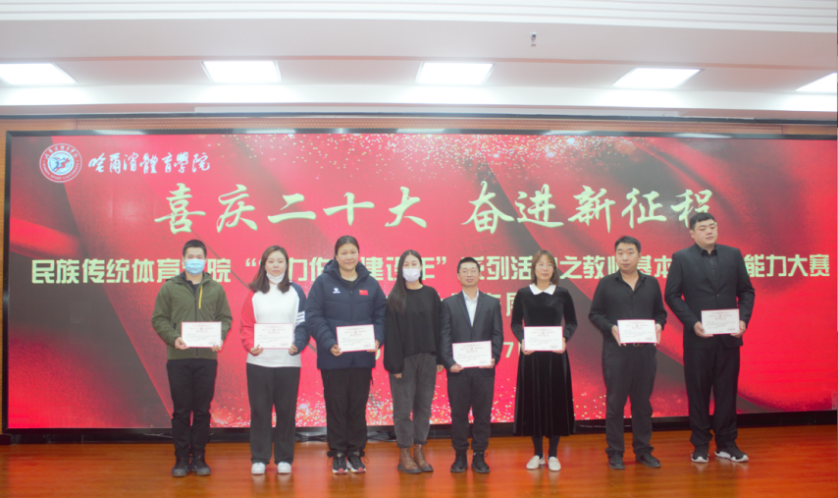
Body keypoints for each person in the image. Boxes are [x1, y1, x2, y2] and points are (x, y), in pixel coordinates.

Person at [665, 213, 755, 464]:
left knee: (727, 392)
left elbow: (746, 291)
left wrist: (743, 320)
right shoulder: (682, 258)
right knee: (698, 392)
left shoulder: (733, 255)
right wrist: (693, 322)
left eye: (712, 227)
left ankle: (726, 444)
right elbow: (672, 295)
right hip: (698, 338)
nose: (709, 231)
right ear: (692, 233)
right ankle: (701, 444)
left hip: (729, 337)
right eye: (703, 228)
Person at [151, 239, 233, 477]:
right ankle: (180, 457)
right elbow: (158, 318)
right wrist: (173, 338)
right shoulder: (169, 287)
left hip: (207, 359)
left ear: (205, 260)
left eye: (199, 257)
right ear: (183, 259)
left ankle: (198, 456)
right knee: (181, 410)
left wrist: (220, 336)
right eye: (191, 257)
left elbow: (225, 318)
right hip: (178, 357)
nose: (195, 261)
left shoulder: (215, 288)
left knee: (202, 410)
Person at [306, 235, 387, 474]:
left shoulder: (371, 284)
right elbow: (313, 316)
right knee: (336, 406)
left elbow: (382, 315)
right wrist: (329, 342)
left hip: (362, 358)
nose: (349, 257)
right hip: (333, 357)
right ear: (336, 256)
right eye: (344, 252)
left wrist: (377, 338)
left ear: (358, 254)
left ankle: (356, 452)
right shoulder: (322, 283)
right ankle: (339, 452)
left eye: (353, 252)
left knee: (357, 407)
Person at [589, 236, 667, 470]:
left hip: (645, 353)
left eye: (630, 252)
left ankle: (643, 451)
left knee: (642, 404)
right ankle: (615, 452)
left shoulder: (651, 283)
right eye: (620, 252)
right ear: (615, 256)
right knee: (615, 404)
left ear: (639, 255)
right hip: (617, 353)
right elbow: (595, 314)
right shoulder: (606, 283)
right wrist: (611, 328)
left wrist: (659, 325)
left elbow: (660, 313)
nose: (625, 257)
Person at [239, 245, 310, 475]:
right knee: (260, 411)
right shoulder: (254, 292)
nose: (276, 265)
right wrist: (251, 345)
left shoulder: (296, 291)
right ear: (264, 264)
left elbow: (303, 324)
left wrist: (298, 343)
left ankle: (284, 458)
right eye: (271, 261)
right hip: (259, 362)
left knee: (286, 411)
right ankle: (259, 458)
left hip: (288, 362)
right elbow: (246, 325)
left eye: (280, 261)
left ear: (287, 264)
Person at [510, 249, 577, 472]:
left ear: (554, 269)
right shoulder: (523, 293)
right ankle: (538, 453)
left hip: (555, 356)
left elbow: (572, 322)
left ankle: (553, 455)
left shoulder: (562, 293)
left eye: (549, 265)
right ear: (534, 268)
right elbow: (515, 323)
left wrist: (564, 338)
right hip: (531, 356)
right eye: (541, 264)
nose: (545, 268)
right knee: (533, 403)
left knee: (555, 402)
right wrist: (522, 340)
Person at [439, 257, 504, 474]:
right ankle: (460, 455)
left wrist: (494, 357)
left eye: (473, 270)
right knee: (459, 414)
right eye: (465, 270)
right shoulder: (448, 304)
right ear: (458, 276)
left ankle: (479, 454)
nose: (469, 274)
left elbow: (497, 334)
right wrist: (448, 362)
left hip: (484, 370)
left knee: (482, 414)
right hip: (458, 370)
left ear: (479, 274)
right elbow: (444, 335)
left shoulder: (492, 303)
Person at [383, 250, 444, 474]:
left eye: (414, 263)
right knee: (403, 408)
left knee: (424, 407)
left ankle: (419, 450)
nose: (411, 268)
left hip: (428, 359)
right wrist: (394, 365)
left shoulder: (431, 294)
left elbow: (439, 326)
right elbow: (391, 333)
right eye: (406, 264)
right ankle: (404, 453)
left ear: (421, 267)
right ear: (400, 269)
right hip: (403, 361)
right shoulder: (395, 297)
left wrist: (440, 357)